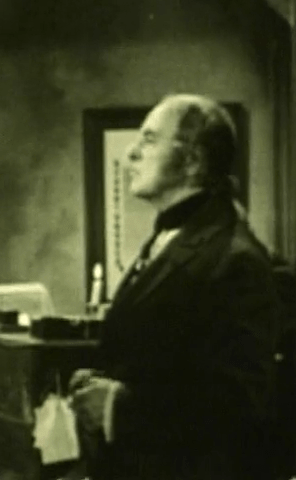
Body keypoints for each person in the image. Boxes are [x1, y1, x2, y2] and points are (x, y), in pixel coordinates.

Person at [69, 94, 280, 480]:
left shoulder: (236, 259)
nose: (131, 153)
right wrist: (102, 382)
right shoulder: (175, 236)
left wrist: (118, 406)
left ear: (193, 161)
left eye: (149, 140)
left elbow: (241, 403)